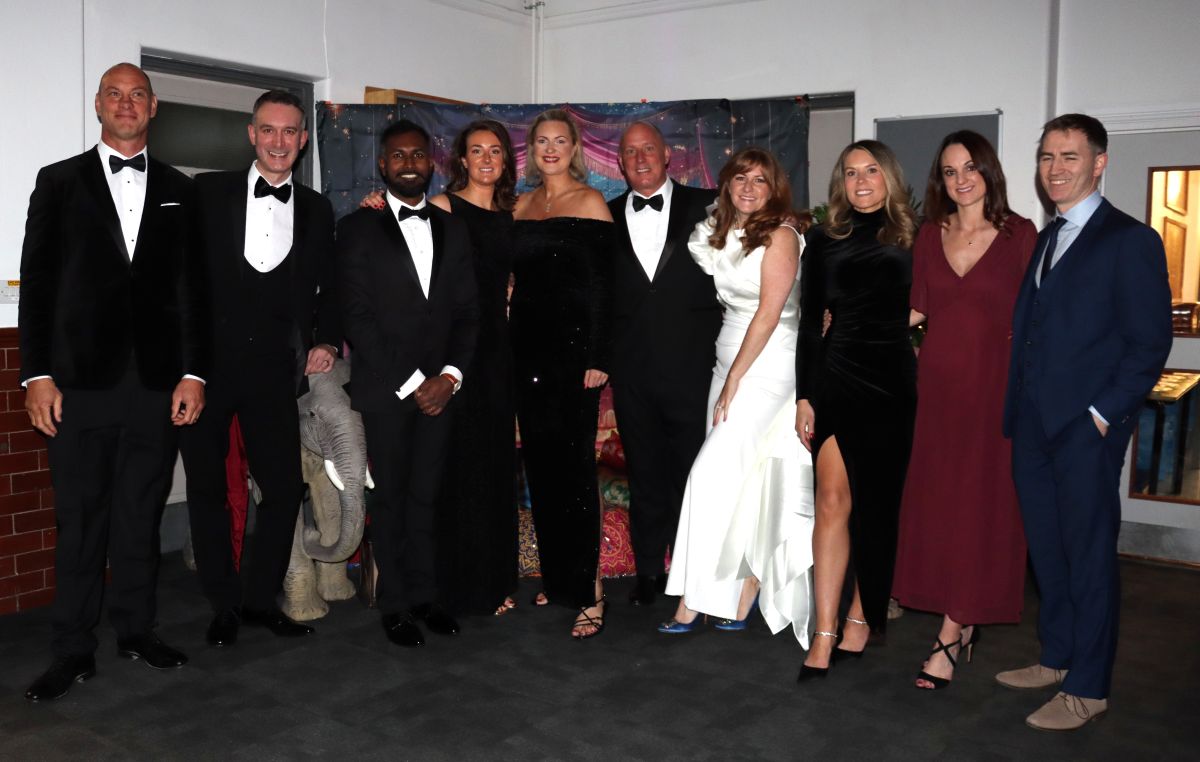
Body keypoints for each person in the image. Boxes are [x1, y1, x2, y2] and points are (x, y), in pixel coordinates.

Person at [18, 63, 208, 701]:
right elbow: (38, 285)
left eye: (137, 95)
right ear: (98, 105)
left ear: (153, 108)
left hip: (155, 385)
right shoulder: (57, 181)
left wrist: (193, 373)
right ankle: (72, 648)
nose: (126, 104)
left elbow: (193, 289)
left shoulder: (182, 189)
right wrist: (36, 375)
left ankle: (135, 629)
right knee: (80, 520)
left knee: (139, 514)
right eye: (114, 94)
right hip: (77, 385)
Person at [997, 114, 1171, 730]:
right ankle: (1058, 657)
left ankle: (1089, 687)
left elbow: (1149, 343)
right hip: (1033, 426)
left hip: (1084, 430)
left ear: (1099, 163)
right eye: (1047, 157)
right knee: (1048, 551)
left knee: (1090, 557)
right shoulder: (1049, 237)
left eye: (1069, 156)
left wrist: (1100, 417)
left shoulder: (1130, 240)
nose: (1055, 168)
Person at [182, 90, 340, 648]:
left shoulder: (318, 208)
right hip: (206, 369)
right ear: (252, 134)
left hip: (275, 371)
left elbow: (332, 284)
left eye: (289, 131)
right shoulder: (207, 191)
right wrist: (184, 365)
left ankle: (258, 599)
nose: (278, 141)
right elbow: (181, 280)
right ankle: (223, 603)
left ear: (303, 139)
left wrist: (326, 339)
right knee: (207, 488)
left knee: (284, 488)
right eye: (268, 130)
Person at [890, 131, 1036, 689]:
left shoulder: (1021, 235)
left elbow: (1039, 318)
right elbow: (913, 309)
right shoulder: (931, 234)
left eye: (970, 167)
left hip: (995, 392)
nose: (961, 179)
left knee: (981, 510)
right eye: (950, 172)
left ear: (989, 170)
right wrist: (845, 324)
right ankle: (960, 618)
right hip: (936, 393)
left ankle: (952, 631)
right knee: (943, 508)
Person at [658, 147, 814, 644]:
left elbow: (768, 313)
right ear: (726, 184)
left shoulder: (782, 235)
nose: (749, 187)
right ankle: (744, 588)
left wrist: (734, 380)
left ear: (775, 189)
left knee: (710, 475)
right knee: (748, 482)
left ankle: (692, 599)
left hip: (767, 364)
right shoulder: (719, 232)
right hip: (728, 357)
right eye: (740, 178)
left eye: (760, 180)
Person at [339, 120, 479, 648]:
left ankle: (426, 596)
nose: (409, 164)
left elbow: (468, 311)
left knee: (428, 497)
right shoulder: (357, 228)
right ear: (383, 164)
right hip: (387, 389)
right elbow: (356, 317)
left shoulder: (453, 229)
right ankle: (394, 603)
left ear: (431, 163)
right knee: (392, 500)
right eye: (398, 156)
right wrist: (415, 381)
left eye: (418, 155)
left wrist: (450, 377)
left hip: (443, 391)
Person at [795, 140, 916, 680]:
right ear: (839, 183)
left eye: (871, 170)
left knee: (876, 507)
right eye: (850, 172)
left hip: (890, 382)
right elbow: (808, 321)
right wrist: (805, 395)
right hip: (836, 376)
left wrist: (899, 324)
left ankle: (861, 617)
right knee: (831, 500)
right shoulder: (823, 239)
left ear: (889, 176)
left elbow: (939, 299)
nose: (861, 181)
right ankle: (824, 631)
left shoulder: (915, 236)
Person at [607, 121, 720, 606]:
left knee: (692, 474)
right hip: (632, 370)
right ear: (620, 162)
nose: (640, 159)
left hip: (695, 367)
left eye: (648, 149)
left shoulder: (708, 205)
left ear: (667, 154)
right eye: (630, 152)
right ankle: (649, 571)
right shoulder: (605, 215)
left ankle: (694, 573)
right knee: (645, 474)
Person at [510, 109, 613, 639]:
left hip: (574, 356)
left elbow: (605, 286)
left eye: (560, 141)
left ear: (575, 149)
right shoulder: (521, 205)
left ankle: (591, 591)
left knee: (573, 472)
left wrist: (599, 356)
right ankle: (560, 578)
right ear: (532, 150)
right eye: (542, 141)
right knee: (542, 468)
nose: (551, 149)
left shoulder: (591, 202)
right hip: (525, 351)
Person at [426, 119, 520, 617]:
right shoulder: (442, 208)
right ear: (462, 159)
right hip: (453, 349)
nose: (486, 159)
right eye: (476, 150)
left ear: (506, 160)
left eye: (495, 150)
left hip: (499, 351)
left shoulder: (514, 214)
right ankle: (455, 586)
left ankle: (495, 581)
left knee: (494, 465)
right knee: (456, 466)